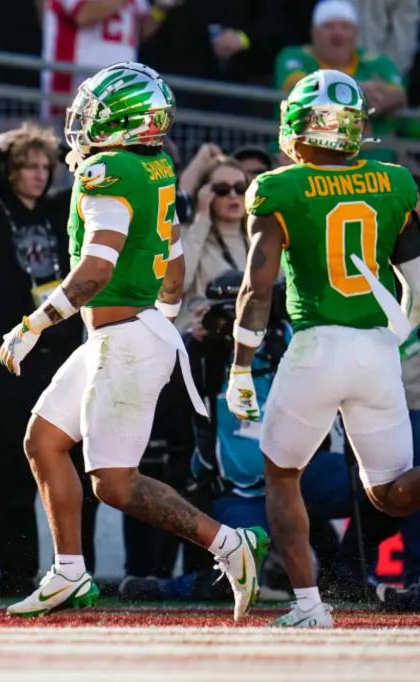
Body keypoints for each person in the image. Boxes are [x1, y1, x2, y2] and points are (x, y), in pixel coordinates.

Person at [0, 61, 269, 620]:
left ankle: (229, 543)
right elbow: (171, 261)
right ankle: (70, 571)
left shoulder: (109, 172)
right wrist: (162, 317)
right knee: (44, 441)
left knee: (114, 484)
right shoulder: (155, 167)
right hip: (126, 333)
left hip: (124, 338)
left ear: (126, 121)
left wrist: (34, 324)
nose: (82, 121)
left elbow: (95, 268)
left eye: (95, 112)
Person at [228, 69, 420, 627]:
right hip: (375, 351)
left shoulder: (279, 186)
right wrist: (393, 337)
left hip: (315, 346)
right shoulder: (395, 181)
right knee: (390, 494)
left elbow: (255, 287)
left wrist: (241, 368)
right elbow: (417, 284)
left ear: (298, 124)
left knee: (281, 473)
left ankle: (310, 606)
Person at [0, 122, 94, 598]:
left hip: (62, 355)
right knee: (12, 473)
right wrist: (0, 146)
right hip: (10, 359)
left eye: (45, 167)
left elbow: (84, 172)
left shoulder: (62, 210)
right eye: (28, 167)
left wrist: (57, 149)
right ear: (10, 172)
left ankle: (79, 570)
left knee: (76, 467)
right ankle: (16, 578)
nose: (40, 175)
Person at [274, 0, 405, 155]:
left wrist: (375, 97)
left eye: (345, 27)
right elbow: (297, 86)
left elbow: (399, 94)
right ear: (314, 32)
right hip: (310, 157)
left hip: (375, 163)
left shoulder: (377, 62)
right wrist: (357, 91)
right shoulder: (294, 57)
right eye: (328, 27)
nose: (337, 34)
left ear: (356, 33)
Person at [41, 0, 177, 117]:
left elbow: (138, 32)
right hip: (74, 84)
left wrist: (160, 9)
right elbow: (84, 15)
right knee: (66, 141)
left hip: (118, 88)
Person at [177, 156, 250, 333]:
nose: (233, 195)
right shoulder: (190, 234)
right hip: (199, 336)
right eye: (222, 189)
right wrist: (202, 218)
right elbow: (178, 283)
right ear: (206, 194)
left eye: (240, 188)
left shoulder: (257, 238)